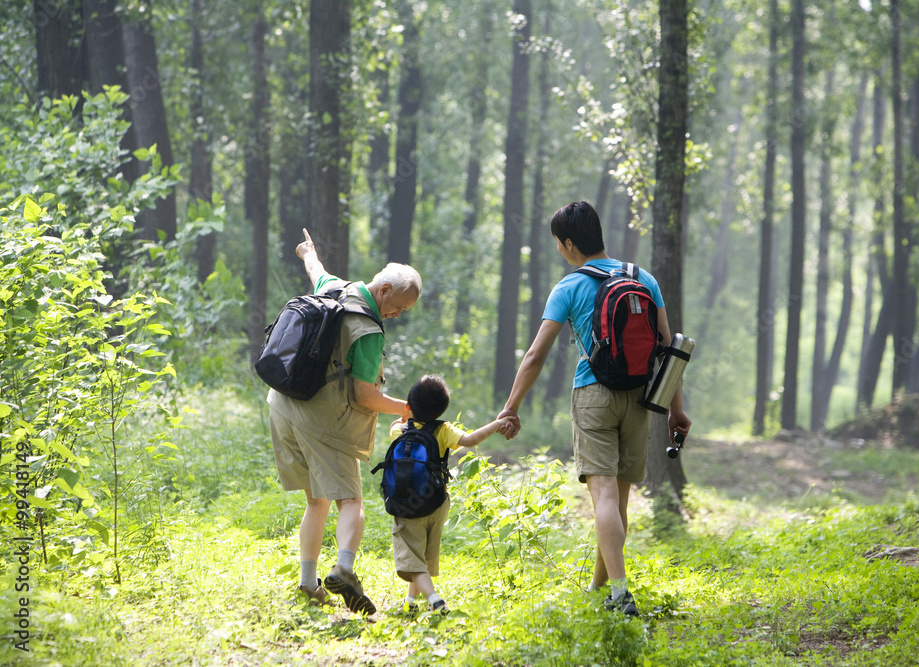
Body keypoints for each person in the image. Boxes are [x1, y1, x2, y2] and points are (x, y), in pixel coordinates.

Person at [497, 201, 691, 617]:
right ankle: (597, 590)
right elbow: (668, 349)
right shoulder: (644, 279)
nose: (559, 250)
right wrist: (676, 409)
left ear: (569, 243)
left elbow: (535, 355)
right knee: (617, 500)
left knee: (602, 496)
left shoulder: (569, 287)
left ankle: (619, 593)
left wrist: (511, 407)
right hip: (641, 397)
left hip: (593, 394)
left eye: (557, 244)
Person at [268, 228, 421, 615]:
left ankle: (307, 582)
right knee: (351, 500)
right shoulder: (368, 330)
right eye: (399, 307)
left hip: (283, 402)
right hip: (320, 419)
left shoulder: (337, 288)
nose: (397, 315)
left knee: (316, 500)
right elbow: (364, 396)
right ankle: (345, 570)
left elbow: (315, 269)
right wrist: (409, 409)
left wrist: (308, 250)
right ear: (384, 290)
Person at [387, 375, 512, 615]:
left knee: (412, 558)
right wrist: (496, 425)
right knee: (422, 555)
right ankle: (411, 603)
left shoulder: (399, 430)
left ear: (408, 406)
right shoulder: (444, 429)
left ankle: (435, 600)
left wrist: (402, 418)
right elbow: (470, 439)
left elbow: (394, 428)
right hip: (436, 502)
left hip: (407, 505)